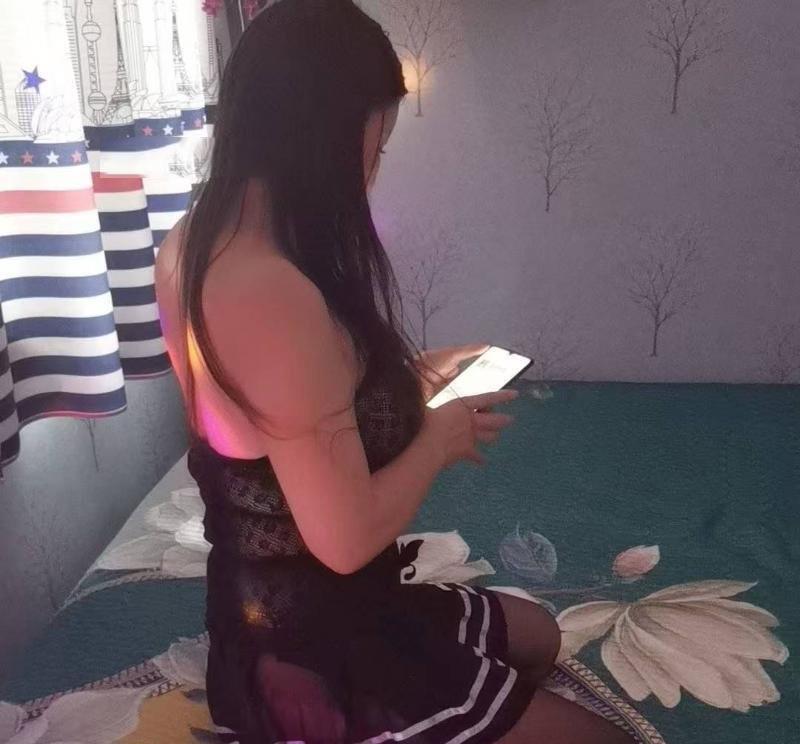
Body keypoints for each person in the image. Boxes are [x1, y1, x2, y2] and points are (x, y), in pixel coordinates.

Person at [155, 1, 632, 742]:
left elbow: (283, 408)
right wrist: (437, 441)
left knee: (539, 636)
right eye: (376, 144)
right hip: (306, 652)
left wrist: (413, 375)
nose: (374, 170)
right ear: (324, 139)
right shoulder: (270, 291)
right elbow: (344, 541)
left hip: (311, 603)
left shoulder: (194, 238)